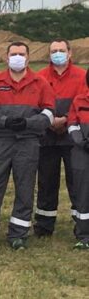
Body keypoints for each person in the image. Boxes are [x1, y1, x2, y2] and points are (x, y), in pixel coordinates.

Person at [0, 42, 56, 251]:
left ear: (28, 57)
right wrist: (4, 122)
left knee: (25, 189)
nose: (17, 57)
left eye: (21, 54)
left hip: (28, 142)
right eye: (13, 54)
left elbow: (49, 114)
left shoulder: (40, 82)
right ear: (6, 58)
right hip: (0, 141)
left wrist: (28, 124)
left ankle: (18, 235)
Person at [34, 39, 85, 236]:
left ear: (70, 53)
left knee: (76, 182)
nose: (57, 54)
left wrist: (66, 120)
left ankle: (81, 224)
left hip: (74, 138)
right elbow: (36, 104)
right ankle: (44, 226)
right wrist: (50, 121)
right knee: (46, 181)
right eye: (54, 51)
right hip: (47, 137)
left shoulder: (82, 76)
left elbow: (83, 104)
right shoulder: (40, 77)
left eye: (61, 50)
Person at [65, 74, 89, 249]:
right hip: (82, 153)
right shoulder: (79, 100)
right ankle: (84, 235)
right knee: (83, 193)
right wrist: (81, 142)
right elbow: (72, 124)